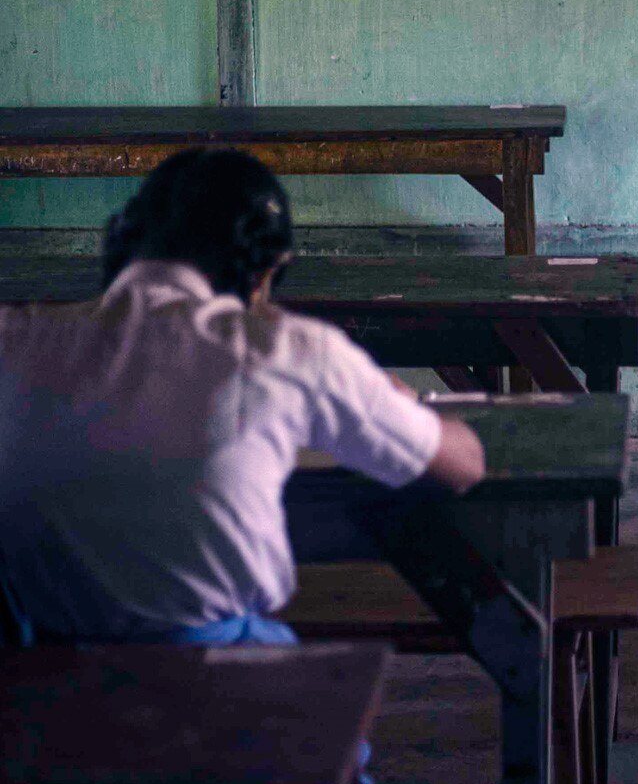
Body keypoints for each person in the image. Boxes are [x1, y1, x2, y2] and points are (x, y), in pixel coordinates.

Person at [0, 147, 485, 646]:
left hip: (35, 692)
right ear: (261, 274)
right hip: (225, 690)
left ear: (121, 241)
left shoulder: (14, 339)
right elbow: (461, 464)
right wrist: (396, 398)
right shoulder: (285, 348)